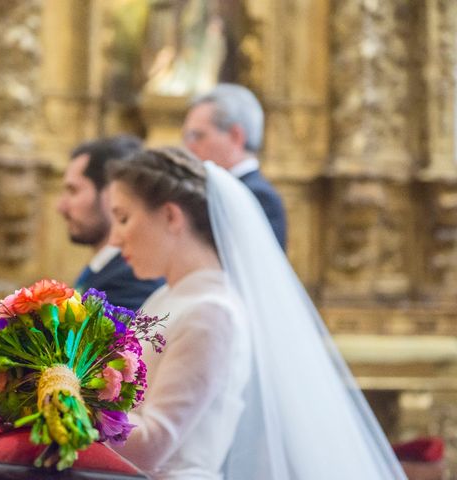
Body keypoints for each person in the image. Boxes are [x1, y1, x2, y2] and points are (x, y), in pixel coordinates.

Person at [106, 147, 405, 479]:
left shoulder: (210, 311)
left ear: (171, 216)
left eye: (123, 218)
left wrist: (70, 404)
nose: (116, 239)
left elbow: (153, 444)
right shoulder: (169, 295)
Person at [0, 136, 163, 404]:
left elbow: (65, 360)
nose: (60, 206)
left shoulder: (133, 276)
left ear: (110, 195)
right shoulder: (106, 270)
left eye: (73, 191)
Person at [183, 83, 287, 249]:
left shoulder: (258, 195)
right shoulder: (217, 187)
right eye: (188, 137)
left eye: (198, 136)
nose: (189, 147)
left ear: (235, 136)